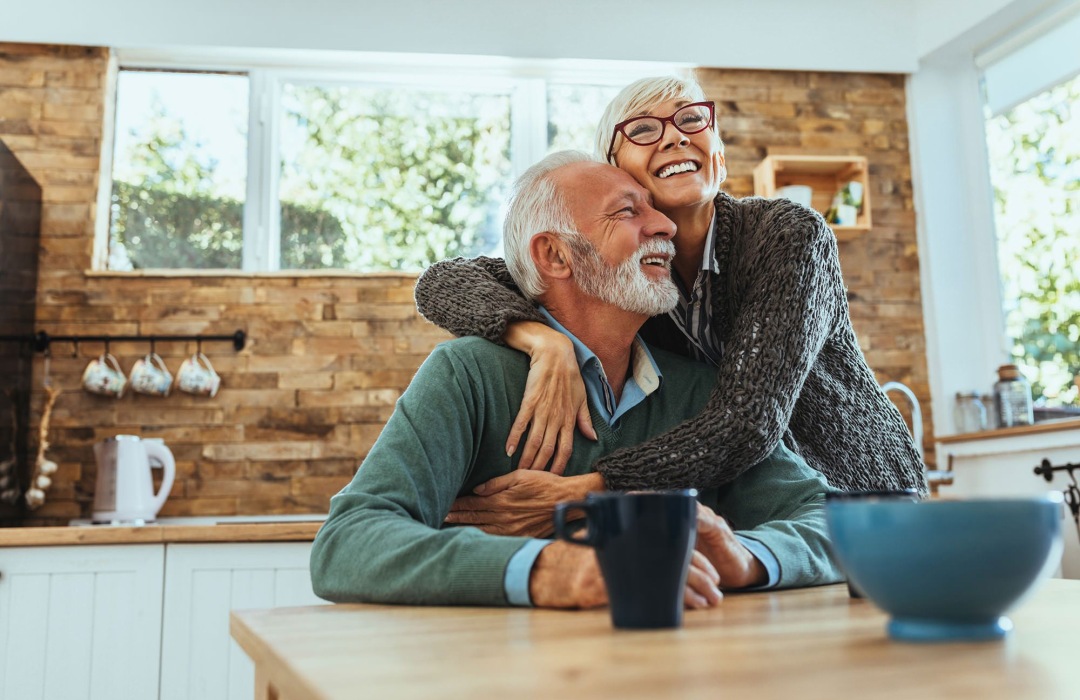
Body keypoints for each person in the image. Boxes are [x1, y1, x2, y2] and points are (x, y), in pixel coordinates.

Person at [310, 151, 842, 608]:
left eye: (655, 210)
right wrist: (550, 569)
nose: (665, 226)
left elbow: (832, 522)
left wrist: (746, 558)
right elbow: (348, 542)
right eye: (628, 212)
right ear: (555, 255)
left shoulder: (700, 392)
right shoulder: (468, 375)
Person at [415, 76, 926, 537]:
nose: (676, 136)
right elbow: (444, 281)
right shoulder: (623, 274)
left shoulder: (787, 236)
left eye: (690, 119)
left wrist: (587, 490)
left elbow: (747, 422)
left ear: (718, 155)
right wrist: (540, 338)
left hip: (858, 496)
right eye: (642, 129)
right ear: (617, 174)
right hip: (751, 517)